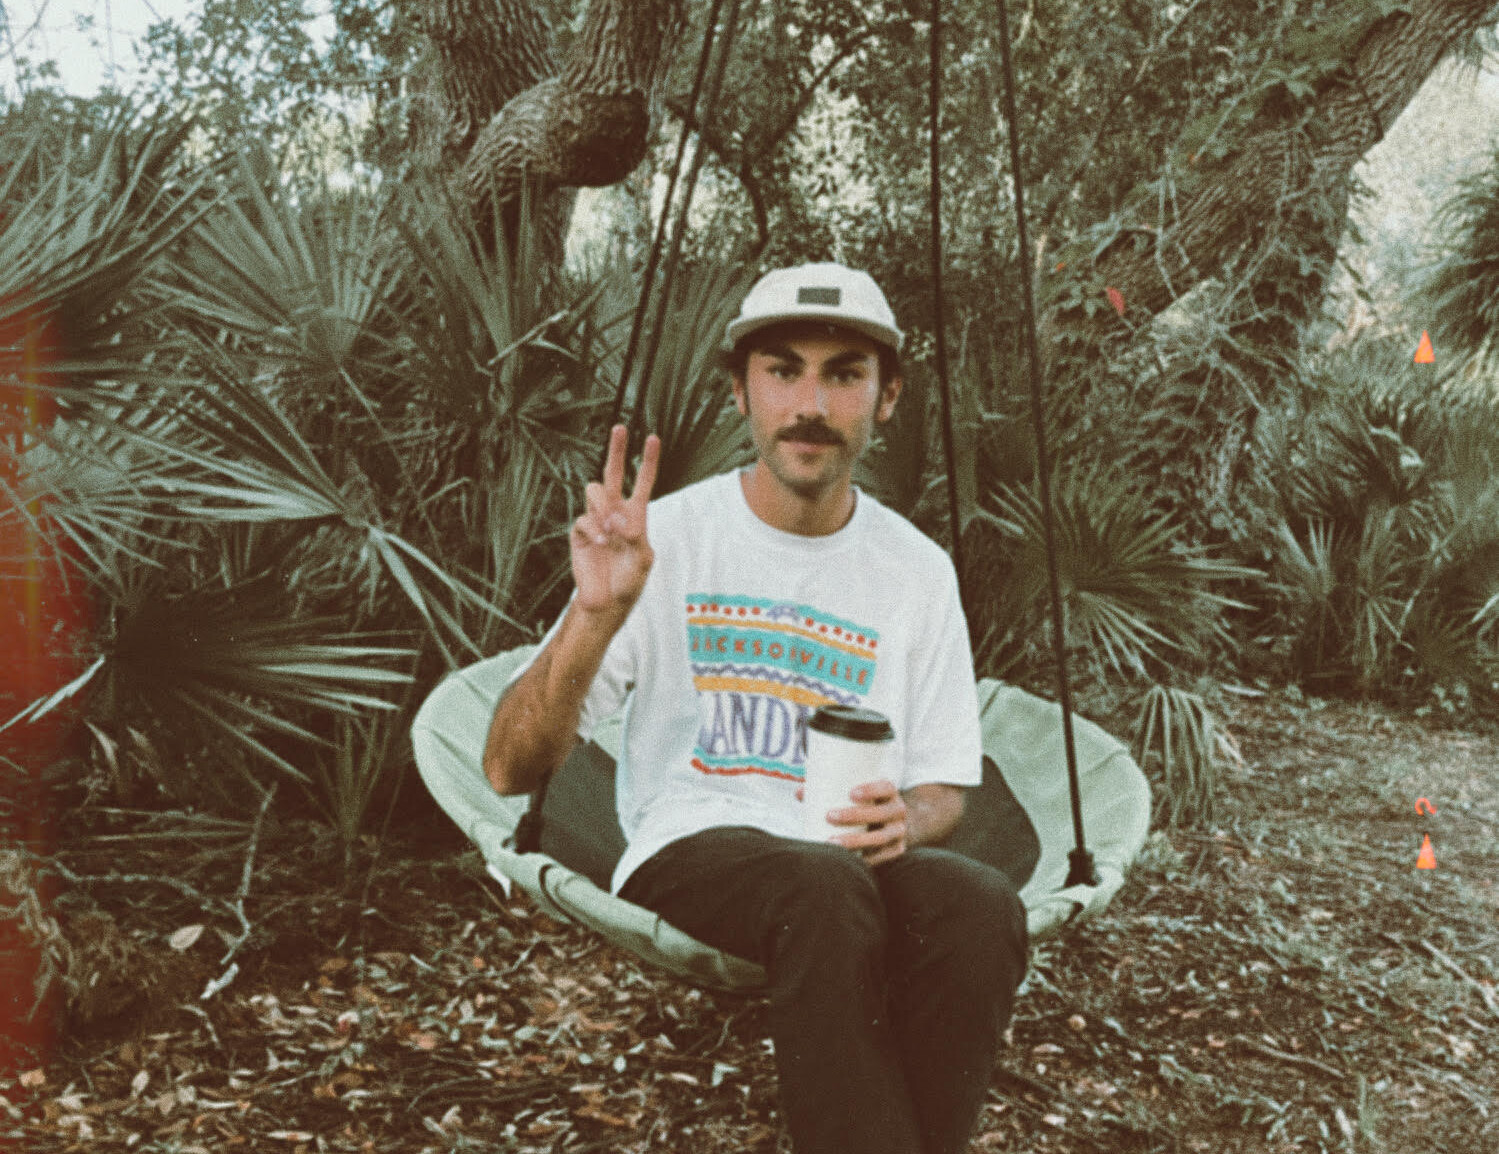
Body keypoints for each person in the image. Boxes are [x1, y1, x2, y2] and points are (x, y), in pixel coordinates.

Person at [484, 262, 1028, 1154]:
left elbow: (942, 787)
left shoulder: (916, 570)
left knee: (979, 904)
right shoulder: (664, 541)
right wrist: (593, 616)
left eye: (843, 373)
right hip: (698, 843)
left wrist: (907, 822)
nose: (809, 401)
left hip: (848, 867)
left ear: (885, 398)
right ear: (740, 391)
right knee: (820, 890)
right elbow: (509, 768)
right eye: (782, 369)